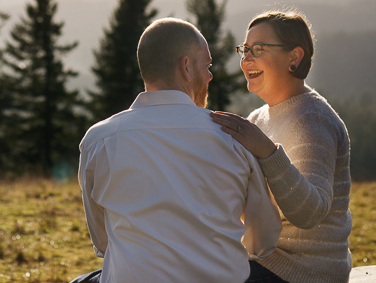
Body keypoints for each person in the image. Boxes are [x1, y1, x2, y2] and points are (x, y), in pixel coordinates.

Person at [73, 17, 281, 283]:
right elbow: (262, 242)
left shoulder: (98, 141)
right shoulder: (234, 138)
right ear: (186, 67)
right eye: (206, 65)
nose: (210, 75)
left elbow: (103, 244)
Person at [211, 10, 352, 283]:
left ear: (294, 58)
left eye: (258, 49)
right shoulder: (258, 118)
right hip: (260, 259)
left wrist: (267, 151)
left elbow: (310, 212)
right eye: (245, 49)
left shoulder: (312, 119)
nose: (246, 59)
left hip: (304, 272)